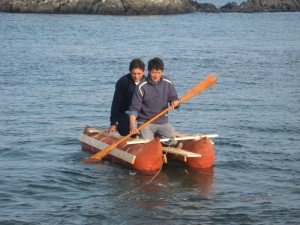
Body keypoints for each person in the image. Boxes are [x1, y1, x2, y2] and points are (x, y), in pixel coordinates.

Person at [127, 57, 179, 142]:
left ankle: (163, 145)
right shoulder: (141, 86)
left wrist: (175, 102)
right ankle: (141, 138)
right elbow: (134, 109)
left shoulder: (168, 82)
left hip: (163, 122)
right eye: (154, 73)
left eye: (159, 73)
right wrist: (133, 126)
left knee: (173, 141)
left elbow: (174, 98)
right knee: (148, 142)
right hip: (145, 122)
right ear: (148, 71)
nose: (156, 76)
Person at [108, 58, 146, 136]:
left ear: (143, 71)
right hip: (125, 113)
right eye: (133, 73)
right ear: (130, 72)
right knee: (127, 131)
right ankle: (120, 128)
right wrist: (113, 122)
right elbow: (116, 103)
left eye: (139, 73)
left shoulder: (146, 82)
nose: (136, 76)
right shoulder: (123, 82)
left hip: (142, 114)